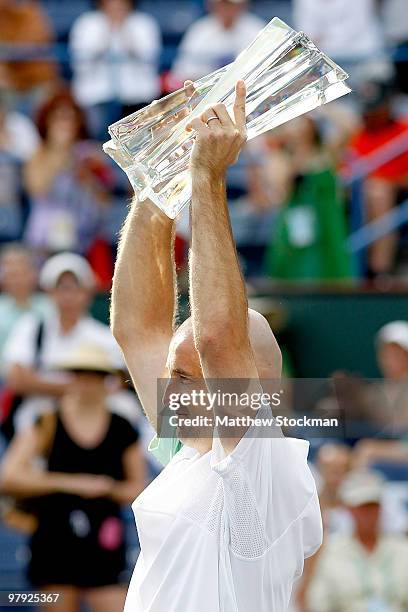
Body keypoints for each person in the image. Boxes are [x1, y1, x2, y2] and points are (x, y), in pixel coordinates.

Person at [111, 81, 322, 611]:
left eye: (184, 377)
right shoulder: (189, 454)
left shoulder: (265, 466)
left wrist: (208, 176)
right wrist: (155, 188)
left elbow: (216, 337)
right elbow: (137, 327)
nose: (169, 389)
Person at [0, 343, 145, 612]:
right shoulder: (45, 422)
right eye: (79, 374)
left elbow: (138, 488)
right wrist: (72, 483)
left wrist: (107, 488)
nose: (86, 382)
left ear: (105, 380)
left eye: (94, 375)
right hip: (53, 543)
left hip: (104, 544)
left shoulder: (122, 427)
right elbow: (9, 477)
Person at [2, 252, 124, 437]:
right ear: (50, 292)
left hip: (92, 423)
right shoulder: (31, 327)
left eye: (74, 288)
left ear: (87, 292)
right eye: (61, 288)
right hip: (36, 421)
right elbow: (16, 378)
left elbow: (117, 383)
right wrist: (79, 388)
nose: (68, 296)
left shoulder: (103, 337)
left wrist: (41, 383)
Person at [23, 88, 114, 260]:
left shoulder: (89, 153)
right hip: (44, 238)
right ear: (47, 121)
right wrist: (61, 150)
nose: (65, 124)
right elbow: (36, 188)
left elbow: (104, 201)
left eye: (71, 118)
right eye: (59, 118)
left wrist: (87, 176)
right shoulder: (38, 154)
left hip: (83, 236)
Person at [306, 470, 408, 611]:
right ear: (350, 510)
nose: (368, 514)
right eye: (362, 508)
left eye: (372, 507)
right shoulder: (332, 552)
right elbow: (319, 603)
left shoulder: (402, 549)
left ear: (380, 508)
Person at [69, 0, 161, 140]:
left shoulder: (143, 23)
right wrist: (107, 32)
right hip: (96, 97)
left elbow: (150, 63)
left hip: (137, 98)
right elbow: (80, 65)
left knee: (139, 142)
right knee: (97, 134)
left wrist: (124, 31)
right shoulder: (87, 23)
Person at [347, 80, 408, 279]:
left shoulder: (403, 130)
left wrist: (387, 180)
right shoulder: (359, 134)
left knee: (378, 191)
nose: (372, 114)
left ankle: (379, 271)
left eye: (378, 108)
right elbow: (344, 171)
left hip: (394, 194)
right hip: (359, 195)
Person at [172, 0, 264, 83]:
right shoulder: (199, 31)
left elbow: (263, 71)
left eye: (230, 5)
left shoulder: (256, 29)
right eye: (222, 4)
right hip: (206, 95)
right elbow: (182, 73)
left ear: (242, 6)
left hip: (247, 92)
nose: (226, 9)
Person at [0, 0, 56, 112]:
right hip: (9, 78)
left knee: (51, 97)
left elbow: (39, 42)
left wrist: (11, 51)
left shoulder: (33, 11)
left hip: (37, 77)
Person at [0, 244, 52, 355]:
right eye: (11, 274)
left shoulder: (50, 306)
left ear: (33, 275)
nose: (16, 280)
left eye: (20, 273)